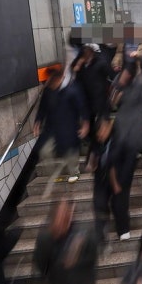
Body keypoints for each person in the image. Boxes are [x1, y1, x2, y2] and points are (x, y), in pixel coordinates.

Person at [33, 199, 98, 284]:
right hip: (59, 279)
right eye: (59, 218)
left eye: (66, 217)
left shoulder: (82, 231)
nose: (62, 223)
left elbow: (92, 258)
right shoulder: (45, 238)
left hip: (82, 277)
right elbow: (41, 263)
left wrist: (78, 255)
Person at [34, 67, 90, 195]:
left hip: (69, 125)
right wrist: (38, 121)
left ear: (59, 79)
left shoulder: (72, 89)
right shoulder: (48, 91)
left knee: (71, 151)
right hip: (51, 127)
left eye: (52, 80)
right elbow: (42, 108)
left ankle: (74, 172)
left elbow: (82, 107)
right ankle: (53, 173)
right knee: (45, 150)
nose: (50, 83)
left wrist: (85, 124)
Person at [90, 117, 136, 241]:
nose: (100, 136)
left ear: (107, 127)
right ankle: (100, 234)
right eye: (98, 135)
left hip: (120, 178)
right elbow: (92, 154)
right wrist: (92, 162)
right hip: (102, 178)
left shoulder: (122, 137)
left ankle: (123, 231)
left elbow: (130, 159)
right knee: (99, 203)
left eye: (102, 133)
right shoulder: (97, 140)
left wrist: (122, 181)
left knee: (119, 204)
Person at [72, 43, 112, 127]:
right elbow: (74, 69)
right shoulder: (81, 64)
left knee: (102, 120)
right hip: (87, 97)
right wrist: (78, 64)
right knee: (90, 121)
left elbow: (109, 72)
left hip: (99, 97)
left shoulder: (100, 63)